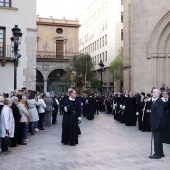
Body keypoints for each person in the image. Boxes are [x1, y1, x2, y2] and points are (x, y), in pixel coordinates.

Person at [149, 89, 164, 159]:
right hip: (155, 123)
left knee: (157, 138)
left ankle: (157, 153)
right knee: (158, 138)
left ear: (158, 94)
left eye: (154, 92)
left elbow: (160, 114)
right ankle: (160, 152)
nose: (153, 93)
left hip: (157, 123)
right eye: (152, 92)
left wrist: (157, 123)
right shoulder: (156, 101)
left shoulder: (159, 102)